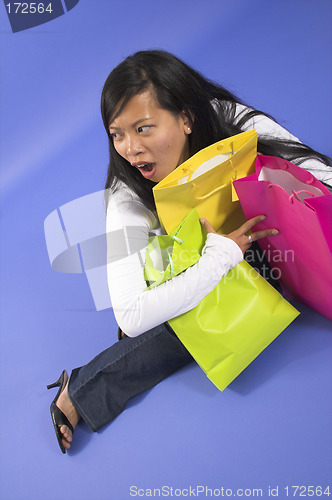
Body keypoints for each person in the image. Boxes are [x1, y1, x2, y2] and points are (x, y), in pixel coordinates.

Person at [47, 50, 332, 454]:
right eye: (117, 133)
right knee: (195, 313)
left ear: (186, 117)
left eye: (144, 128)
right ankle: (79, 391)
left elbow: (309, 166)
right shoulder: (126, 196)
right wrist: (219, 257)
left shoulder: (230, 120)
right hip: (195, 262)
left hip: (258, 235)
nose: (130, 149)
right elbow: (131, 314)